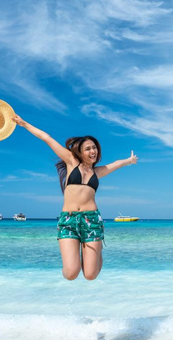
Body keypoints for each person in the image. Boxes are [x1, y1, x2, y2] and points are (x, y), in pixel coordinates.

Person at [11, 114, 138, 280]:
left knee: (90, 275)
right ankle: (73, 259)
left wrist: (129, 160)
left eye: (94, 147)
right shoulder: (71, 161)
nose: (93, 151)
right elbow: (47, 138)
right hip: (68, 220)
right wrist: (24, 123)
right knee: (71, 274)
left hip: (91, 220)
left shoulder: (97, 172)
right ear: (79, 152)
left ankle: (97, 250)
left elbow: (116, 164)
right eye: (88, 148)